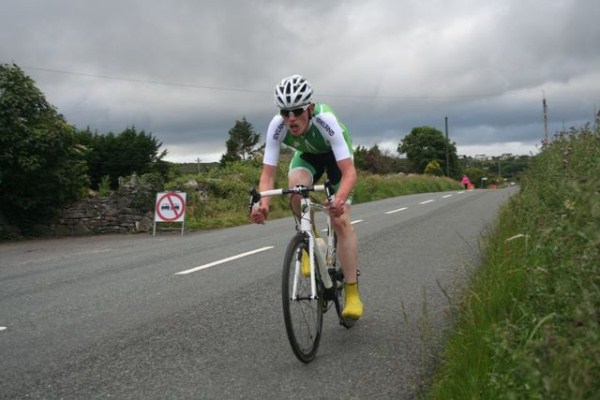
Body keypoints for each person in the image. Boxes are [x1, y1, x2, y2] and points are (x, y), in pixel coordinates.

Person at [251, 75, 363, 320]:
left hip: (337, 159)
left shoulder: (326, 120)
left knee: (341, 221)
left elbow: (349, 173)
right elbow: (268, 174)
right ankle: (311, 241)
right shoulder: (277, 126)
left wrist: (339, 200)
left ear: (309, 109)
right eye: (285, 112)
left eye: (297, 111)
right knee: (295, 187)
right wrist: (264, 204)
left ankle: (353, 293)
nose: (291, 118)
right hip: (308, 157)